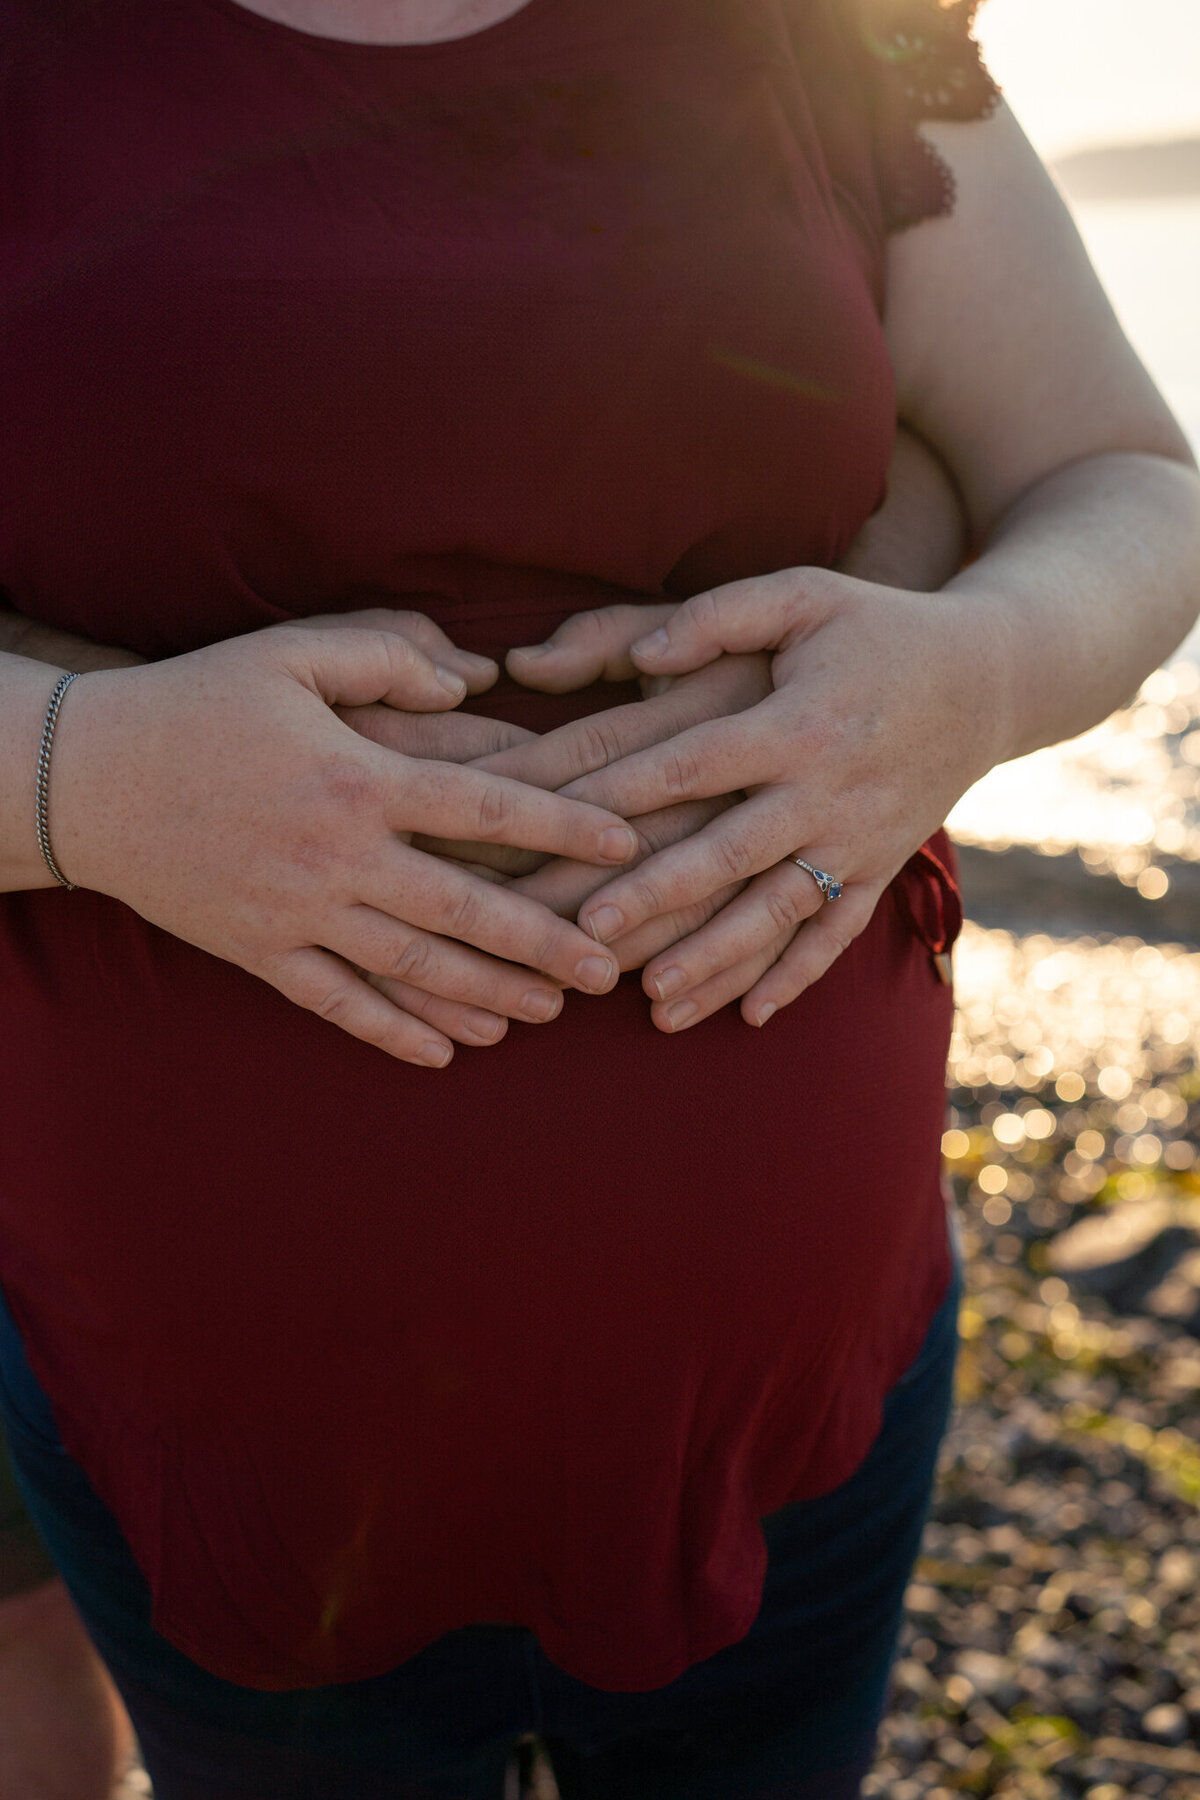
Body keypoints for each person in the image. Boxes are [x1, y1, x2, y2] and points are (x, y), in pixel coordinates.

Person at [0, 3, 1196, 1799]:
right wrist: (90, 778)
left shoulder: (822, 27)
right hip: (208, 1428)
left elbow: (1126, 481)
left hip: (804, 1396)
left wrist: (972, 674)